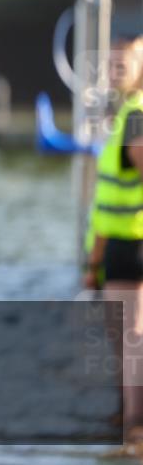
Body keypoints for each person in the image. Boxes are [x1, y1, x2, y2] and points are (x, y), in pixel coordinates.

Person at [84, 34, 143, 446]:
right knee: (122, 336)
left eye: (122, 65)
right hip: (116, 246)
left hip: (134, 243)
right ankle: (127, 417)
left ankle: (134, 424)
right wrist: (95, 258)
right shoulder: (127, 114)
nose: (114, 72)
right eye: (111, 65)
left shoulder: (137, 114)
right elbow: (109, 197)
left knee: (131, 336)